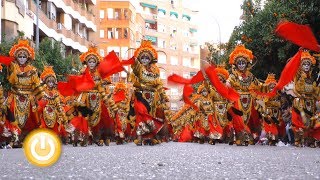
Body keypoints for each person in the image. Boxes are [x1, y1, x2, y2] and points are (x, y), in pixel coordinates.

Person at [128, 40, 170, 146]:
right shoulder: (138, 68)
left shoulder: (155, 71)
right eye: (142, 57)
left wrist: (163, 96)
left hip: (152, 98)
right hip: (140, 95)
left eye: (147, 58)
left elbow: (159, 85)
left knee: (151, 115)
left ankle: (150, 137)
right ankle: (139, 138)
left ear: (151, 59)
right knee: (141, 114)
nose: (145, 60)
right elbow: (135, 65)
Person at [2, 39, 43, 146]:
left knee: (33, 116)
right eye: (19, 56)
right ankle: (13, 138)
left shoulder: (33, 70)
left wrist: (41, 96)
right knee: (8, 110)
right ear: (16, 57)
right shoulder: (12, 67)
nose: (22, 59)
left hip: (28, 97)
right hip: (15, 96)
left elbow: (37, 84)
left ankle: (25, 139)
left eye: (24, 56)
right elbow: (11, 81)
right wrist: (14, 71)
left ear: (28, 57)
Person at [76, 45, 118, 146]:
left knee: (101, 115)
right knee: (83, 115)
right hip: (85, 97)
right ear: (86, 62)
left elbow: (104, 85)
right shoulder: (82, 73)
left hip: (98, 97)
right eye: (89, 62)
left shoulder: (100, 74)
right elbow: (78, 85)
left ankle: (98, 137)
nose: (91, 64)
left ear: (96, 63)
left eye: (93, 62)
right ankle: (85, 136)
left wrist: (102, 86)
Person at [226, 44, 262, 146]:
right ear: (236, 65)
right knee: (239, 119)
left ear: (247, 64)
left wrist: (271, 86)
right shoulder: (233, 76)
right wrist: (227, 85)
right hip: (237, 100)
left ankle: (247, 137)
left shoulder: (251, 76)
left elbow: (259, 85)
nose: (241, 65)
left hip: (249, 101)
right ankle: (240, 137)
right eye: (239, 63)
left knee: (247, 119)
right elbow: (228, 83)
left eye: (243, 63)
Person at [291, 50, 319, 147]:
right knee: (299, 123)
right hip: (300, 102)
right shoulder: (298, 77)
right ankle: (297, 140)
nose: (306, 66)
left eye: (308, 64)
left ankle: (310, 141)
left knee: (311, 122)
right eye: (304, 64)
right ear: (301, 66)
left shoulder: (311, 79)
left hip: (311, 102)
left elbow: (315, 92)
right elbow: (296, 89)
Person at [38, 66, 67, 141]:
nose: (50, 84)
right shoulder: (42, 91)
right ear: (46, 82)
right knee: (43, 126)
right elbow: (40, 102)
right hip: (44, 112)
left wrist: (62, 113)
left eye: (52, 82)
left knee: (55, 126)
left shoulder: (56, 93)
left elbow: (58, 104)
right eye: (49, 82)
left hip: (54, 112)